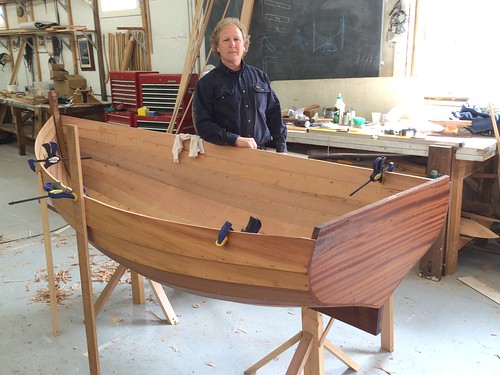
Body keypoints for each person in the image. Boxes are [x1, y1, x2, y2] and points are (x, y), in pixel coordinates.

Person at [193, 17, 287, 153]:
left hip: (260, 153)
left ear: (244, 45)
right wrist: (235, 139)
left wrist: (282, 149)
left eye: (237, 39)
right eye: (226, 40)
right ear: (217, 47)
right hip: (226, 155)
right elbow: (203, 126)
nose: (232, 44)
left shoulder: (260, 78)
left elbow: (275, 116)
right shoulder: (206, 84)